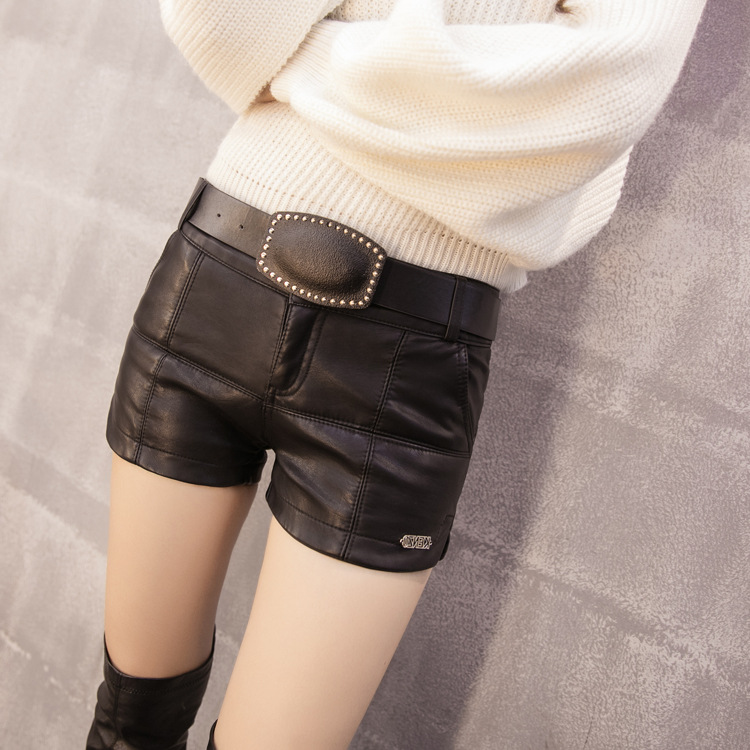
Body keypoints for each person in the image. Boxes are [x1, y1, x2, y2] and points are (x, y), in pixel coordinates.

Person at [85, 0, 707, 748]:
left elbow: (602, 94)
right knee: (127, 725)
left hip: (403, 374)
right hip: (213, 298)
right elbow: (214, 17)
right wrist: (437, 96)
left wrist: (303, 64)